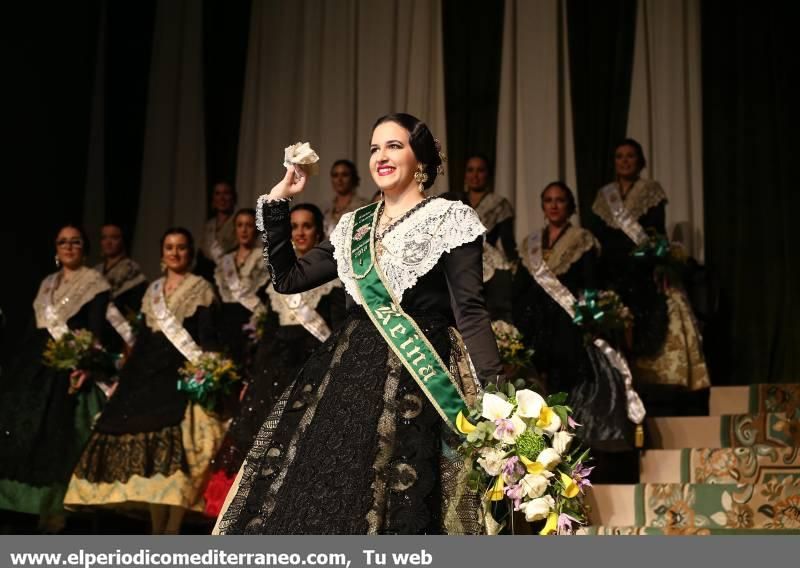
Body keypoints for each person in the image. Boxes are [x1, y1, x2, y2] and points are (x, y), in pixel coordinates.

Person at [214, 113, 503, 535]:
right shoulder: (354, 225)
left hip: (419, 375)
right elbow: (288, 278)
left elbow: (471, 311)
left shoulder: (450, 218)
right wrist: (281, 198)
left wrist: (496, 394)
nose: (380, 157)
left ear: (419, 158)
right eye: (374, 148)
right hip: (350, 376)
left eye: (393, 146)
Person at [64, 228, 227, 534]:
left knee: (178, 459)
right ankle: (156, 531)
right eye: (169, 247)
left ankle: (172, 530)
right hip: (145, 374)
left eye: (181, 248)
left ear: (190, 253)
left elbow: (208, 335)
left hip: (179, 374)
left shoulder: (200, 287)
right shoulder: (152, 290)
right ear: (162, 254)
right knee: (153, 463)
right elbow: (140, 338)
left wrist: (209, 369)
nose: (175, 253)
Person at [203, 203, 345, 517]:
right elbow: (268, 333)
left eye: (307, 226)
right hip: (274, 365)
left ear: (319, 232)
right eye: (293, 227)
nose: (299, 232)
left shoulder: (334, 280)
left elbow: (337, 331)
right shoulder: (277, 281)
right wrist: (254, 376)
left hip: (314, 365)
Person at [514, 183, 639, 473]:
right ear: (542, 206)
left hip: (567, 328)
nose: (554, 206)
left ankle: (574, 459)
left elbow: (590, 283)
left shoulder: (582, 240)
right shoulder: (531, 242)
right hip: (535, 326)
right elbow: (520, 287)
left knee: (570, 394)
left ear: (570, 206)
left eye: (560, 200)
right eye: (548, 200)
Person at [0, 225, 110, 531]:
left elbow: (96, 330)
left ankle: (52, 512)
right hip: (35, 363)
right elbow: (32, 330)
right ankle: (14, 509)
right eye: (63, 242)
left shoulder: (94, 282)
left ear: (85, 248)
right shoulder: (47, 283)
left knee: (55, 432)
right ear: (56, 249)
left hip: (67, 365)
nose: (69, 247)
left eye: (75, 242)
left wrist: (86, 363)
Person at [592, 139, 710, 397]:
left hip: (641, 267)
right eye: (620, 156)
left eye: (630, 156)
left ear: (640, 161)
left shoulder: (651, 190)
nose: (624, 161)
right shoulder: (604, 196)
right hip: (612, 269)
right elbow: (599, 235)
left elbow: (655, 232)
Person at [213, 208, 269, 367]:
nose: (244, 230)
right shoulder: (226, 260)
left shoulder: (263, 258)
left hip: (251, 321)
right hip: (226, 322)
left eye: (249, 225)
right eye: (240, 225)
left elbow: (266, 296)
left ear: (256, 229)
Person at [95, 223, 147, 354]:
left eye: (114, 237)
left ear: (123, 241)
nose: (108, 242)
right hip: (97, 340)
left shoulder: (134, 274)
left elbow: (137, 316)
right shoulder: (94, 273)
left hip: (121, 343)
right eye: (104, 238)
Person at [462, 154, 518, 262]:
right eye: (470, 170)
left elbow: (508, 243)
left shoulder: (499, 204)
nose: (475, 175)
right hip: (456, 266)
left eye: (480, 170)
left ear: (488, 174)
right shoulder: (456, 202)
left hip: (485, 266)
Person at [196, 181, 238, 282]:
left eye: (226, 193)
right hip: (207, 275)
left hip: (230, 275)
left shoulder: (239, 222)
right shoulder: (209, 225)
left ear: (233, 197)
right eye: (217, 193)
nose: (222, 198)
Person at [323, 159, 369, 236]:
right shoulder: (325, 208)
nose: (339, 179)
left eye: (344, 175)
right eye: (335, 175)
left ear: (353, 177)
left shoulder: (364, 206)